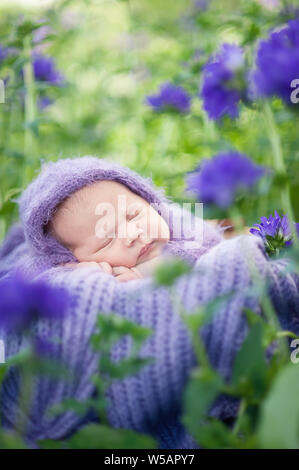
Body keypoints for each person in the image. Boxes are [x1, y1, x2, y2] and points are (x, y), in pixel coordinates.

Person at [0, 155, 298, 449]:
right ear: (72, 261)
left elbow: (213, 247)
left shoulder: (184, 235)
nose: (132, 234)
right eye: (106, 241)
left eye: (132, 216)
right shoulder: (90, 277)